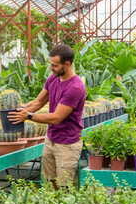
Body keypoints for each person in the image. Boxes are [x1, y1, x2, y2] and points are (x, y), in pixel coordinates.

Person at [8, 44, 86, 188]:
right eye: (50, 64)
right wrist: (20, 109)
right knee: (49, 183)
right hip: (50, 140)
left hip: (67, 144)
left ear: (67, 64)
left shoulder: (74, 88)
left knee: (64, 187)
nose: (51, 68)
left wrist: (29, 116)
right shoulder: (53, 79)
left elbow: (56, 118)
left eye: (54, 65)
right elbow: (38, 102)